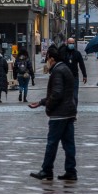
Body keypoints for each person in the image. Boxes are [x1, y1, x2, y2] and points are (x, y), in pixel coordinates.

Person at [29, 44, 78, 181]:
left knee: (52, 143)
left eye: (47, 59)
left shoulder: (57, 71)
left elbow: (57, 93)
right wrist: (41, 102)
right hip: (69, 112)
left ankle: (46, 170)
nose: (46, 63)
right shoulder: (65, 69)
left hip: (59, 114)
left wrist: (48, 106)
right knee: (69, 144)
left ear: (51, 58)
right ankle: (71, 171)